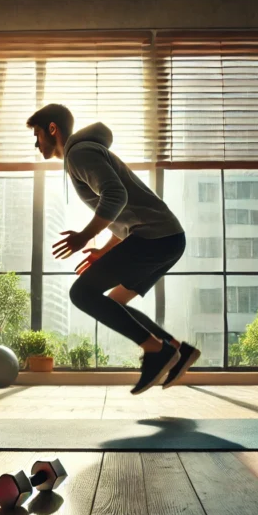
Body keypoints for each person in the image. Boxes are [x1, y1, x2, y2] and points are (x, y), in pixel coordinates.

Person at [27, 103, 201, 394]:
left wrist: (83, 237)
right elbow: (125, 218)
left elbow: (115, 196)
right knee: (116, 301)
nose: (36, 143)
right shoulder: (85, 153)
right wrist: (103, 251)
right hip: (167, 238)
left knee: (81, 293)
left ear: (52, 129)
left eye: (37, 134)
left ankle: (156, 351)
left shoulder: (78, 154)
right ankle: (176, 350)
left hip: (154, 238)